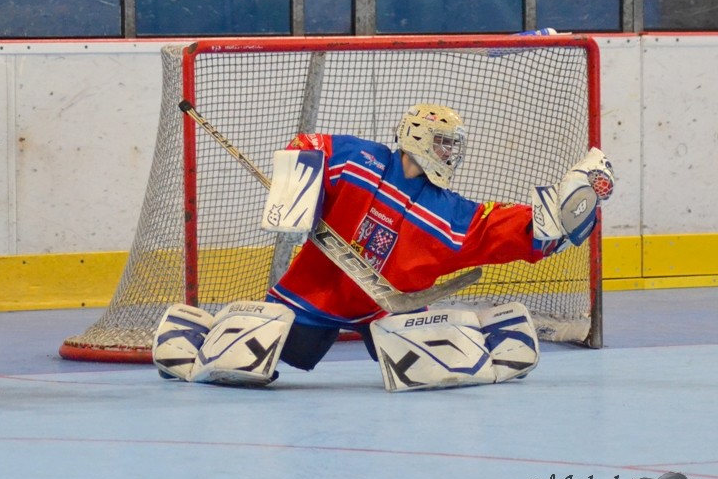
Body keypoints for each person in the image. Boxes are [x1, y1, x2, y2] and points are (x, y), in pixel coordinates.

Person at [152, 103, 615, 391]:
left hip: (386, 311)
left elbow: (498, 229)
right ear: (417, 137)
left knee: (434, 365)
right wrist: (297, 190)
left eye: (452, 146)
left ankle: (501, 336)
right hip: (314, 297)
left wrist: (559, 217)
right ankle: (191, 334)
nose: (450, 153)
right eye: (443, 143)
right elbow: (309, 144)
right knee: (254, 359)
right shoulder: (360, 160)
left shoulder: (446, 209)